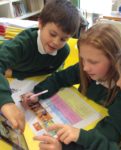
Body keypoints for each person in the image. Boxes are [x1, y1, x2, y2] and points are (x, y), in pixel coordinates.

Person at [22, 23, 121, 150]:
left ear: (114, 59)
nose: (85, 67)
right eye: (82, 59)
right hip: (80, 118)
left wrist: (65, 147)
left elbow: (110, 132)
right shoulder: (85, 69)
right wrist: (38, 92)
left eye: (93, 62)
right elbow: (59, 78)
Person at [0, 0, 80, 132]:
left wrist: (15, 74)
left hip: (22, 79)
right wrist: (6, 102)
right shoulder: (22, 44)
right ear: (41, 24)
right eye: (53, 34)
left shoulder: (64, 51)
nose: (56, 42)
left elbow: (50, 73)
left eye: (63, 39)